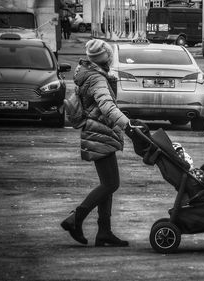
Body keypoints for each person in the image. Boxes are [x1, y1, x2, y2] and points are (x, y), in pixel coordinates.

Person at [61, 39, 148, 247]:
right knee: (111, 183)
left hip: (99, 132)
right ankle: (76, 219)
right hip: (99, 133)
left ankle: (104, 232)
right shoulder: (97, 79)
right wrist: (128, 125)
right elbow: (107, 107)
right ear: (105, 58)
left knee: (108, 184)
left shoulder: (88, 74)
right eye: (109, 56)